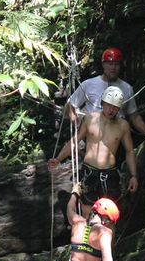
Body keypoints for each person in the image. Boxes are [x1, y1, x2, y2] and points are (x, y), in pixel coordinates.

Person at [48, 86, 138, 217]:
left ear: (119, 109)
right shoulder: (90, 119)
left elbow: (129, 151)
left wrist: (134, 176)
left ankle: (108, 237)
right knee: (87, 212)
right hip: (89, 172)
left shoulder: (123, 125)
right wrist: (58, 159)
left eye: (115, 107)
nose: (111, 110)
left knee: (109, 215)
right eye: (109, 105)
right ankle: (87, 237)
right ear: (102, 103)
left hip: (110, 174)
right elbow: (74, 141)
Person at [69, 47, 145, 140]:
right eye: (110, 64)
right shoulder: (88, 84)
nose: (113, 68)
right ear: (103, 64)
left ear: (120, 66)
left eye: (116, 64)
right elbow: (70, 105)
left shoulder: (127, 88)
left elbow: (134, 116)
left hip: (117, 137)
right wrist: (78, 127)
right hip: (93, 136)